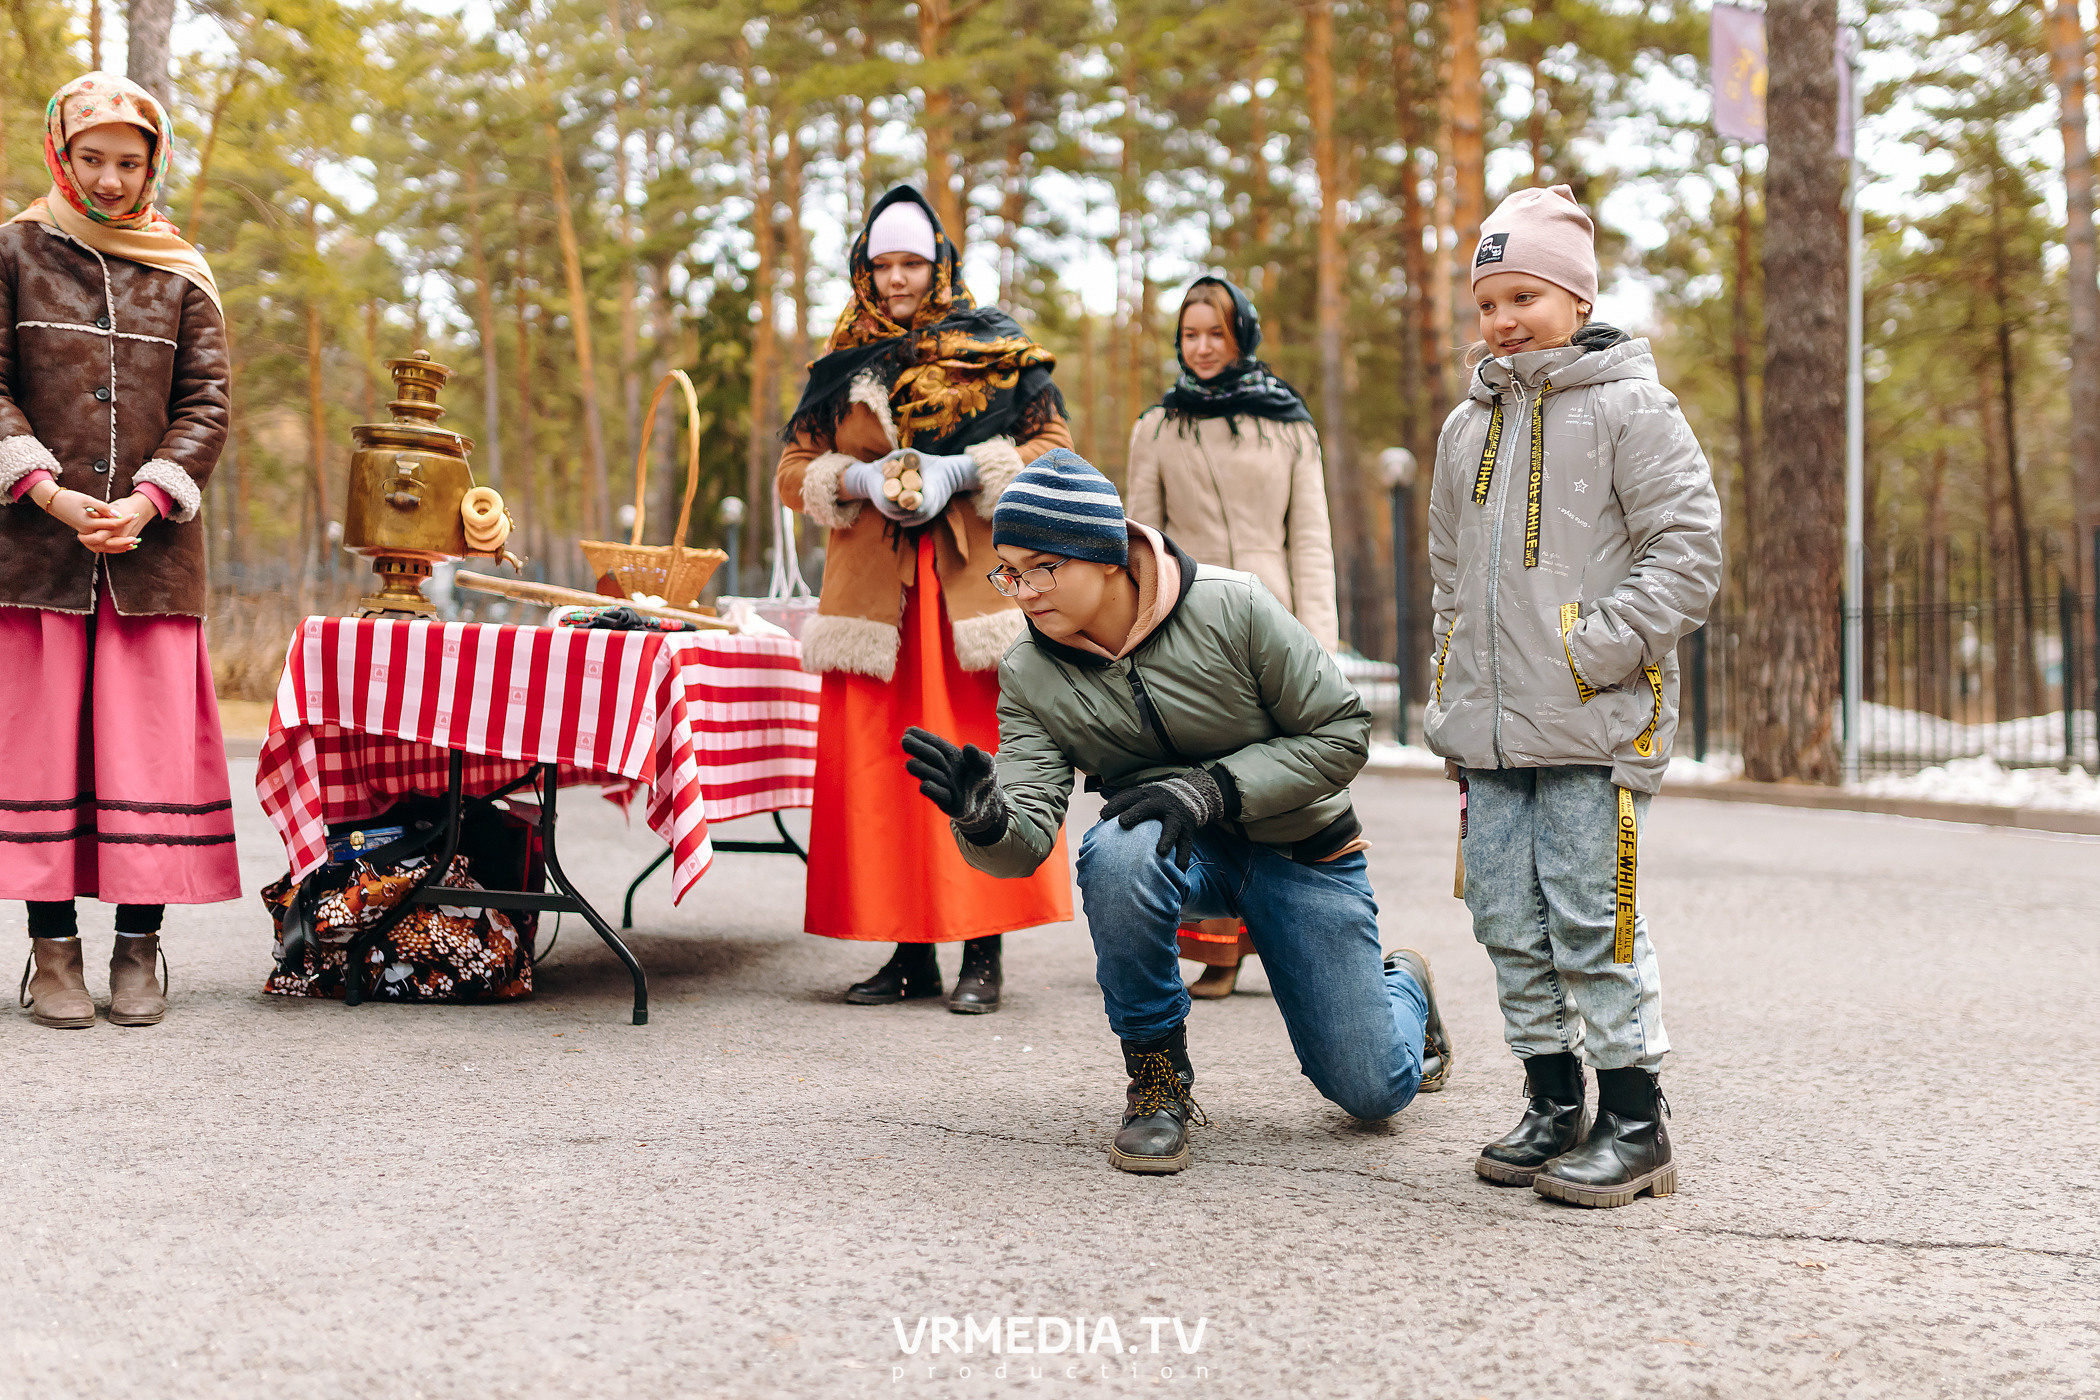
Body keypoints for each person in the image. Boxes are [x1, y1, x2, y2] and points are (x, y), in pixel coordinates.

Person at [901, 449, 1451, 1175]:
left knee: (1374, 1091)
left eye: (1042, 566)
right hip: (1174, 852)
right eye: (1010, 570)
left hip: (1301, 853)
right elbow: (1029, 839)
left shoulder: (1234, 606)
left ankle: (1403, 982)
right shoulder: (1028, 672)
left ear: (1103, 555)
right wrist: (985, 820)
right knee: (1114, 850)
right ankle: (1156, 1078)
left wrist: (1212, 789)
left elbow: (1342, 732)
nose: (1024, 590)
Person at [1425, 184, 1721, 1207]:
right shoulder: (1467, 427)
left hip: (1593, 723)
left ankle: (1635, 1119)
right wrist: (1452, 684)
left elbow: (1689, 550)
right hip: (1493, 731)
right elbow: (1447, 577)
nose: (1503, 321)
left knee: (1595, 918)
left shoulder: (1632, 406)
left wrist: (1597, 647)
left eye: (1524, 297)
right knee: (1508, 917)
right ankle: (1553, 1097)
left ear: (1575, 297)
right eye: (1487, 302)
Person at [775, 185, 1073, 1014]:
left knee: (976, 758)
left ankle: (983, 950)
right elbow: (792, 470)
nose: (898, 278)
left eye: (912, 262)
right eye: (884, 264)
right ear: (864, 271)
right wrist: (855, 478)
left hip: (968, 594)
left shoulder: (997, 347)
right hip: (873, 603)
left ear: (940, 264)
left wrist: (969, 470)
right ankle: (909, 953)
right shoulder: (840, 365)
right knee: (887, 771)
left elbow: (1052, 444)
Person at [1, 72, 237, 1028]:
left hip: (153, 557)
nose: (107, 178)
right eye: (91, 157)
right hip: (34, 553)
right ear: (62, 150)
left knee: (146, 759)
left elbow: (208, 406)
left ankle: (140, 949)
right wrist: (48, 491)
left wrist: (145, 501)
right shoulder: (13, 250)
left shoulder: (183, 269)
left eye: (127, 161)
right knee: (42, 755)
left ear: (154, 163)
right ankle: (51, 953)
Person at [1126, 276, 1338, 1000]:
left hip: (1275, 622)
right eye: (1190, 334)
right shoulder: (1157, 427)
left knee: (1280, 786)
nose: (1203, 347)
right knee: (1206, 788)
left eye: (1216, 332)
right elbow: (1141, 541)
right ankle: (1216, 948)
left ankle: (1297, 937)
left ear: (1241, 335)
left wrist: (1322, 643)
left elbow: (1311, 540)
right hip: (1190, 625)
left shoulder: (1289, 427)